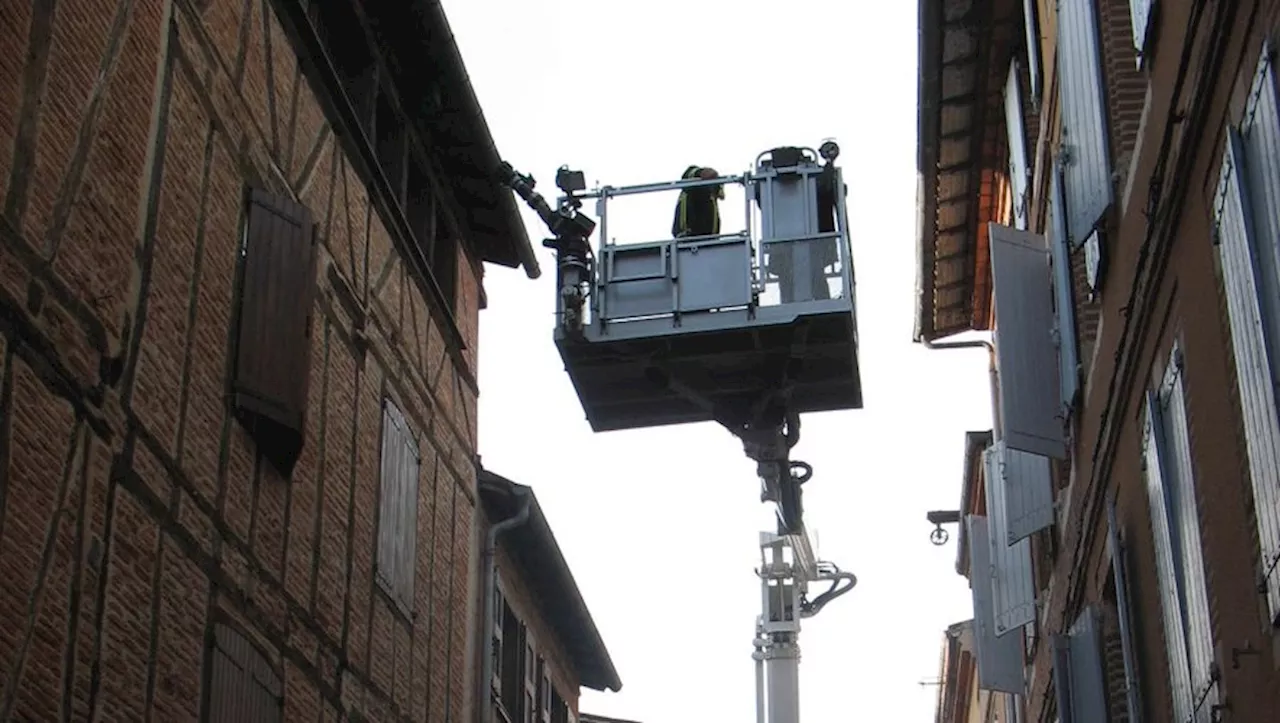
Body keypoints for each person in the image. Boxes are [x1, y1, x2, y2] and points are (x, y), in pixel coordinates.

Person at [672, 165, 724, 238]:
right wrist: (700, 172)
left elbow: (720, 195)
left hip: (710, 237)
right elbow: (687, 175)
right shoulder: (691, 187)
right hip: (686, 236)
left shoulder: (711, 196)